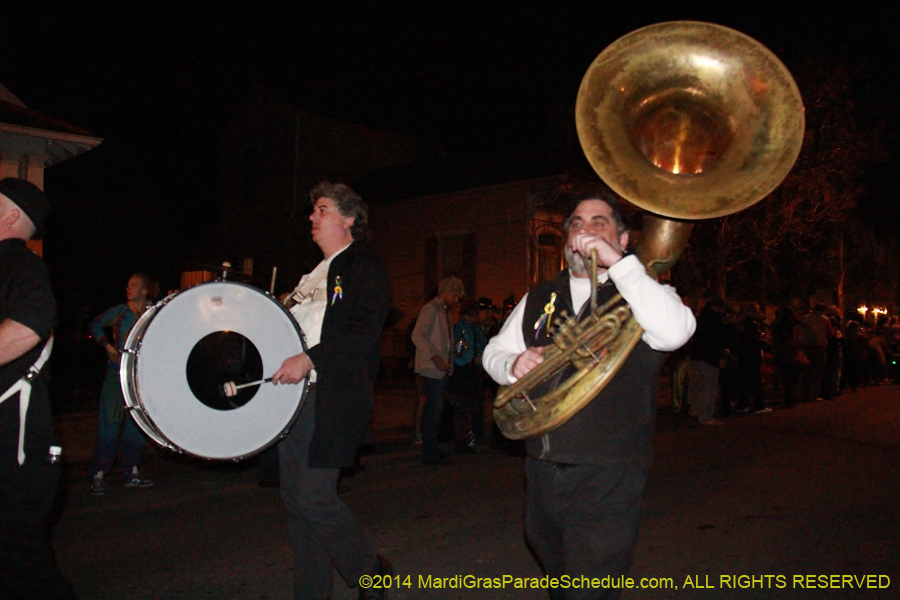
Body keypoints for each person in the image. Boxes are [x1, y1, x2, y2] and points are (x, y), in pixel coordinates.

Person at [482, 187, 695, 600]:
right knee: (559, 575)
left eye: (599, 223)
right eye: (576, 224)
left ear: (623, 239)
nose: (585, 231)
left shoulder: (643, 292)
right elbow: (494, 351)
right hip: (543, 467)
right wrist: (512, 365)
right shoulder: (540, 296)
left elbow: (677, 331)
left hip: (609, 471)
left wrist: (622, 267)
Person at [270, 181, 392, 600]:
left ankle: (371, 573)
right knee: (295, 500)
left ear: (349, 218)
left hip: (331, 395)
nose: (312, 217)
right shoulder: (311, 275)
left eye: (322, 209)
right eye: (313, 210)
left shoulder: (363, 266)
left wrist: (309, 359)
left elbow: (363, 330)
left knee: (314, 497)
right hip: (295, 399)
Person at [0, 178, 78, 599]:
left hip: (13, 449)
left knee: (22, 571)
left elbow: (31, 323)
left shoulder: (18, 263)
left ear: (12, 216)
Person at [88, 272, 158, 494]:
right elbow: (95, 324)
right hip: (116, 375)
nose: (129, 288)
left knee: (136, 425)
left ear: (145, 290)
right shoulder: (120, 312)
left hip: (140, 378)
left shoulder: (153, 313)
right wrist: (107, 347)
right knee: (109, 423)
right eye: (128, 285)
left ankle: (132, 472)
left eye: (134, 285)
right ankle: (98, 474)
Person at [411, 276, 464, 465]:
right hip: (431, 369)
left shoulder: (443, 311)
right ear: (448, 292)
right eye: (456, 296)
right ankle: (429, 452)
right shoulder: (431, 309)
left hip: (439, 369)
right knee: (433, 410)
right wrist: (436, 358)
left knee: (436, 410)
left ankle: (431, 448)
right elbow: (417, 335)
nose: (457, 300)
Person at [446, 298, 486, 453]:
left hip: (471, 372)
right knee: (461, 409)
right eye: (468, 315)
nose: (470, 318)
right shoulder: (457, 329)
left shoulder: (476, 331)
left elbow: (482, 350)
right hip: (461, 372)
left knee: (469, 409)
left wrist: (480, 363)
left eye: (472, 315)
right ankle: (459, 442)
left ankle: (466, 441)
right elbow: (455, 352)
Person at [689, 297, 729, 425]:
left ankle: (696, 410)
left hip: (696, 356)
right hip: (709, 357)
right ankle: (706, 417)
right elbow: (716, 340)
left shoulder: (700, 318)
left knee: (699, 386)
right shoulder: (715, 320)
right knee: (709, 388)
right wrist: (720, 356)